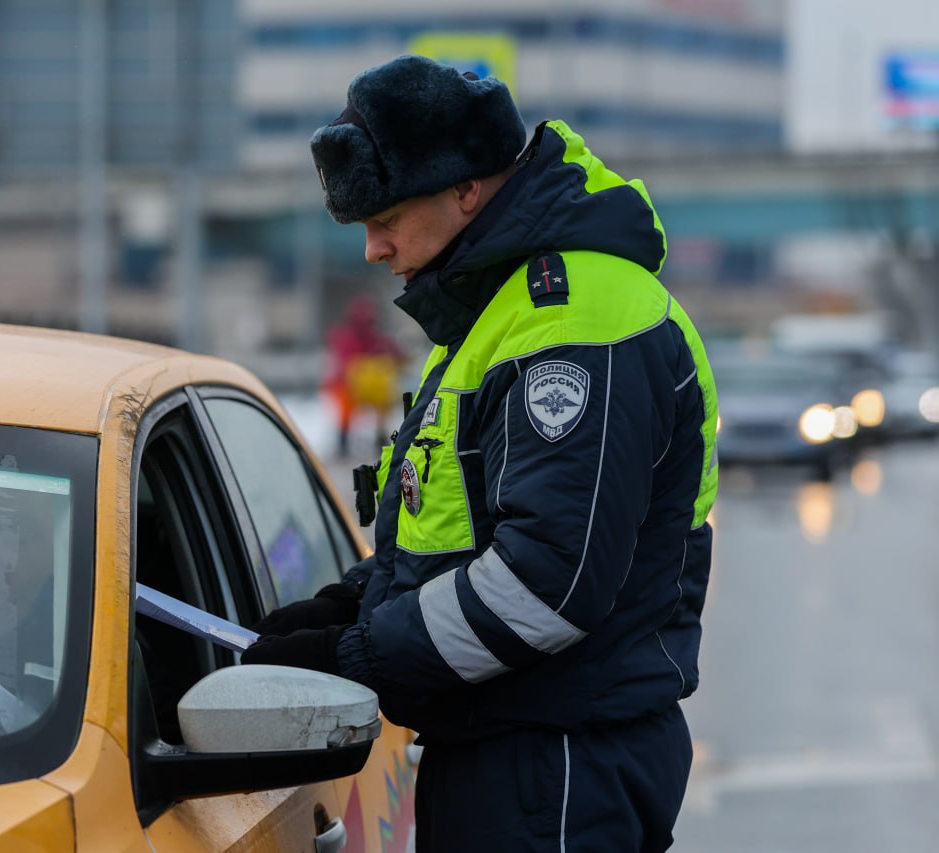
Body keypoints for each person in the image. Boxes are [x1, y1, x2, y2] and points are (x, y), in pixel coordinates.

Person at [241, 54, 718, 852]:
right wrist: (353, 602)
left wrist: (356, 652)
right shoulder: (498, 316)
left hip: (558, 765)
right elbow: (464, 532)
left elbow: (544, 586)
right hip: (521, 755)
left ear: (466, 190)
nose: (373, 249)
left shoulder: (574, 323)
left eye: (386, 216)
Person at [323, 294, 405, 456]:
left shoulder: (376, 339)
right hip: (350, 386)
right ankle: (345, 439)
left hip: (369, 385)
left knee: (382, 401)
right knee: (345, 403)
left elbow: (395, 355)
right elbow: (340, 364)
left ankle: (378, 436)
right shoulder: (348, 338)